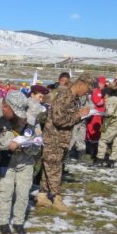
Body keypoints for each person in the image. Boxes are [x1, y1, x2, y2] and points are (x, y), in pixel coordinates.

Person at [36, 74, 94, 212]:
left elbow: (67, 118)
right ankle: (56, 198)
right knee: (55, 169)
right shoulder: (65, 96)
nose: (87, 93)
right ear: (81, 84)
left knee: (48, 168)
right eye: (87, 89)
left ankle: (42, 195)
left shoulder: (72, 97)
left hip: (59, 138)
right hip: (54, 138)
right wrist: (78, 115)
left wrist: (80, 116)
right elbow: (58, 119)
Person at [0, 91, 42, 234]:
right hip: (7, 161)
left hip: (25, 162)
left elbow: (37, 146)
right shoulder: (2, 120)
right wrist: (8, 144)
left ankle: (19, 222)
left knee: (23, 193)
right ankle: (3, 222)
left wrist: (29, 146)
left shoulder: (32, 124)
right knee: (5, 192)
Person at [94, 83, 117, 167]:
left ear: (107, 94)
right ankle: (112, 161)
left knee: (103, 140)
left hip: (116, 121)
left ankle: (100, 159)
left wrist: (100, 113)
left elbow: (109, 113)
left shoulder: (110, 99)